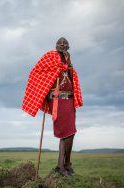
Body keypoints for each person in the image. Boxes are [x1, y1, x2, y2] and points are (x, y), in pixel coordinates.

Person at [21, 37, 83, 176]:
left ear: (68, 46)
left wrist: (68, 67)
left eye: (65, 44)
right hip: (57, 99)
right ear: (56, 45)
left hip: (69, 99)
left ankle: (64, 165)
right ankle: (63, 166)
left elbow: (71, 78)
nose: (62, 45)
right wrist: (46, 85)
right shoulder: (50, 56)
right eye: (60, 44)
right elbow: (37, 72)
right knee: (67, 132)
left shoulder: (68, 60)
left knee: (70, 132)